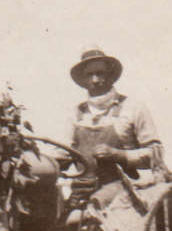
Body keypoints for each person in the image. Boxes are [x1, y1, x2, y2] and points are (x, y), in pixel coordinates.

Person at [65, 48, 164, 207]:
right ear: (83, 80)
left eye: (100, 73)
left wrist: (118, 154)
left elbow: (156, 156)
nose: (95, 80)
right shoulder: (76, 114)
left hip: (123, 190)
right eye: (89, 75)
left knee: (91, 213)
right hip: (82, 189)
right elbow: (62, 153)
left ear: (110, 75)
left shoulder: (133, 108)